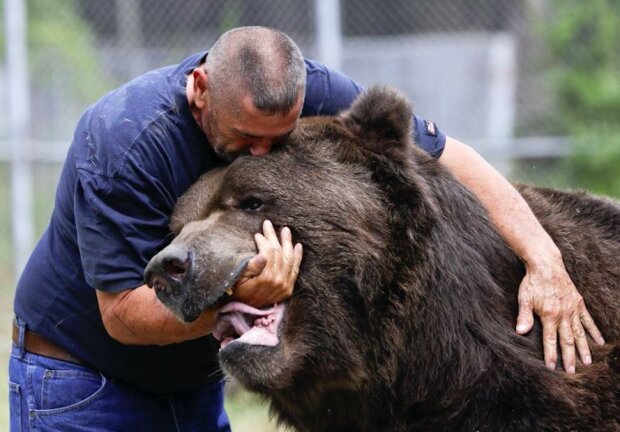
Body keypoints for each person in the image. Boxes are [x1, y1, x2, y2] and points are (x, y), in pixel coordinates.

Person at [9, 26, 604, 431]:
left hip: (185, 387)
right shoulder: (123, 141)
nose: (265, 151)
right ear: (200, 90)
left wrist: (544, 259)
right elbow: (121, 317)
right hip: (84, 383)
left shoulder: (294, 94)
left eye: (280, 138)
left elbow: (448, 154)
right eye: (247, 140)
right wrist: (238, 296)